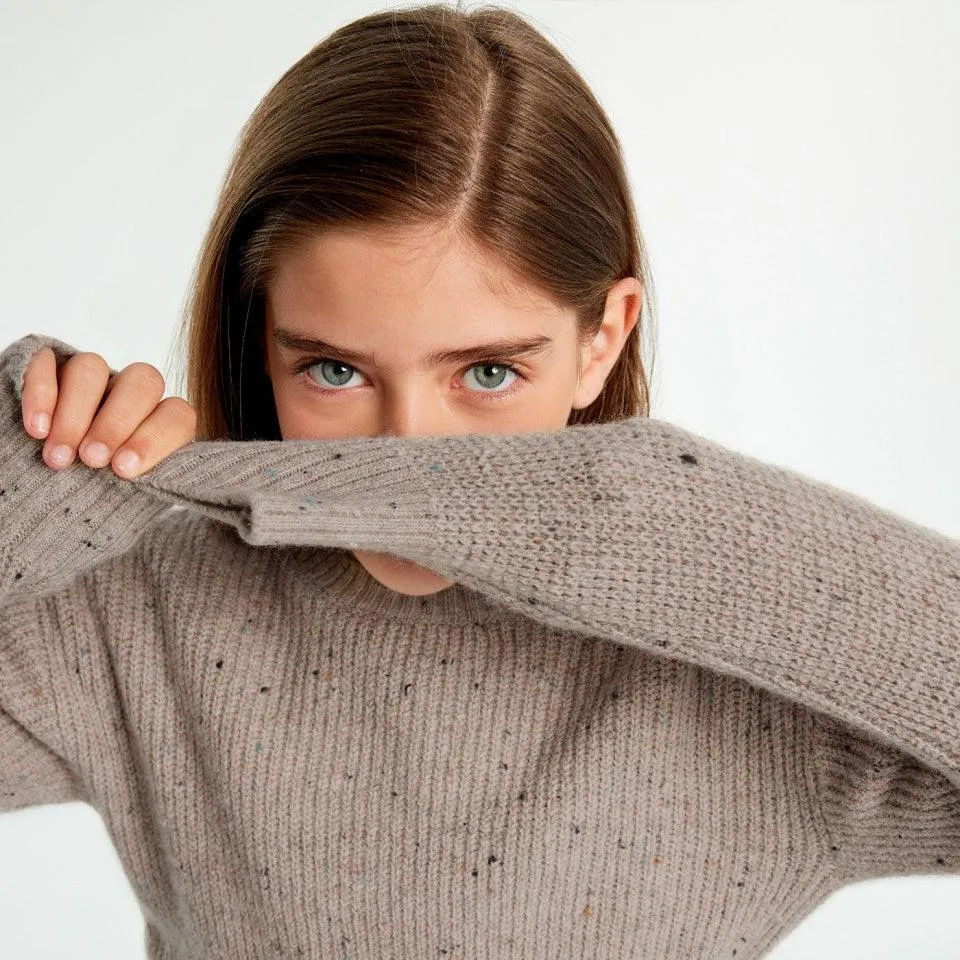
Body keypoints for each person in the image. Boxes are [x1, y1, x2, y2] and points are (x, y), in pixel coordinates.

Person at [2, 4, 958, 960]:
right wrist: (19, 477)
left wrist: (677, 514)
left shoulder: (754, 685)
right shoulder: (136, 617)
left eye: (488, 373)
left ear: (603, 339)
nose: (408, 453)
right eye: (335, 371)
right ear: (261, 343)